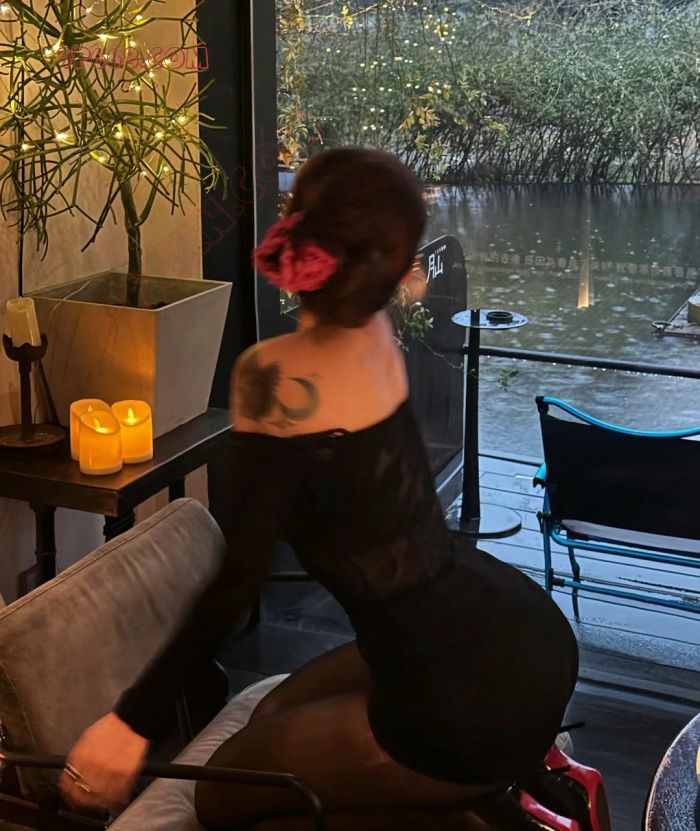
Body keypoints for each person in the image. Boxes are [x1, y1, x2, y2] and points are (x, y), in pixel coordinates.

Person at [59, 148, 579, 830]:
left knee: (219, 798)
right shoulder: (380, 332)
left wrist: (130, 724)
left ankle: (464, 805)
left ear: (298, 229)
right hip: (523, 630)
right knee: (272, 716)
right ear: (397, 266)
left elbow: (236, 584)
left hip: (454, 693)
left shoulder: (272, 376)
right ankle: (475, 784)